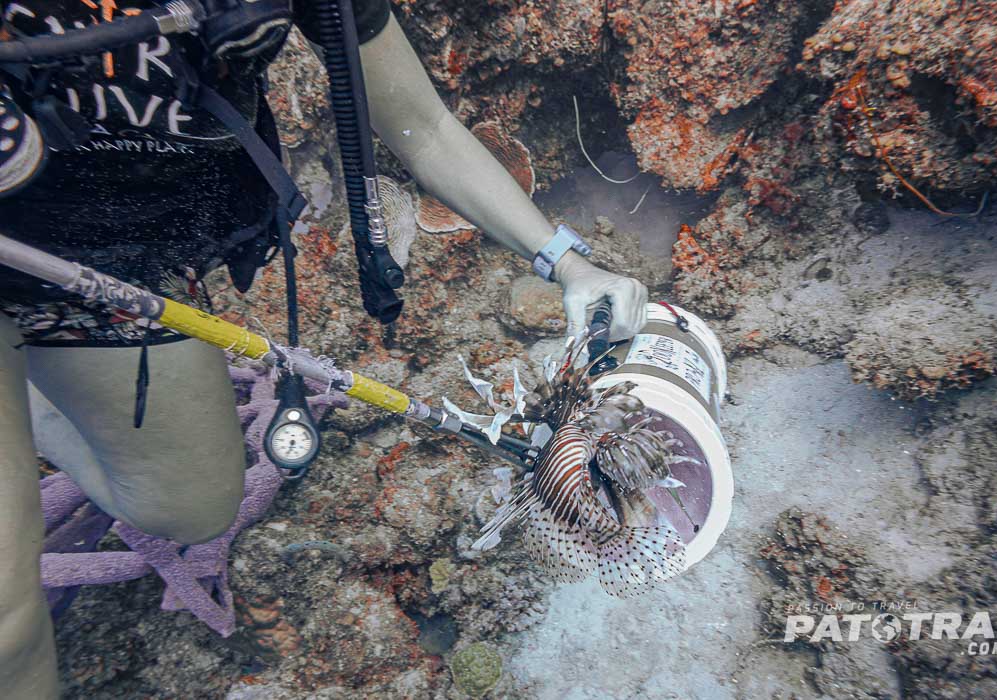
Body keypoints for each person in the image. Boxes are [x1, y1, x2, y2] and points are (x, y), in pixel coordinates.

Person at [0, 0, 648, 695]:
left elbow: (422, 125)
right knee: (8, 613)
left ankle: (30, 393)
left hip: (115, 266)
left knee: (191, 508)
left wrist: (566, 261)